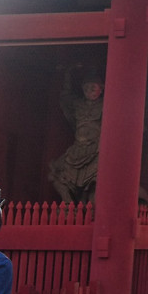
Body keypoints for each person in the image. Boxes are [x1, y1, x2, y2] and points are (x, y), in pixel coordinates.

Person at [48, 68, 103, 204]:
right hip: (77, 148)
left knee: (97, 179)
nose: (89, 91)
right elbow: (66, 99)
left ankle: (92, 207)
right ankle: (69, 204)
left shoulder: (105, 105)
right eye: (86, 88)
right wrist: (67, 76)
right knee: (55, 174)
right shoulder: (78, 104)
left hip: (97, 149)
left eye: (93, 88)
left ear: (101, 89)